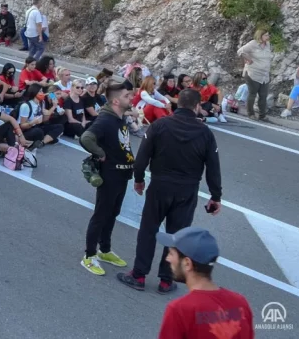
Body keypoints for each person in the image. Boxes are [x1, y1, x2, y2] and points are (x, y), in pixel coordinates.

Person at [119, 88, 223, 294]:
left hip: (160, 185)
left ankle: (139, 274)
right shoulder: (205, 133)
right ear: (196, 106)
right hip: (187, 190)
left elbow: (142, 158)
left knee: (149, 229)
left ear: (178, 104)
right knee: (177, 235)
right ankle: (166, 279)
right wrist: (215, 196)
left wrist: (139, 179)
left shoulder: (160, 125)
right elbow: (213, 166)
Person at [80, 81, 136, 276]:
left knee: (113, 213)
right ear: (115, 100)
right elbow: (86, 138)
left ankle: (105, 250)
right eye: (127, 96)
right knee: (101, 214)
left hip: (122, 174)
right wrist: (100, 153)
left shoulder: (119, 118)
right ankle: (89, 255)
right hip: (110, 175)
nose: (131, 98)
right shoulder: (105, 120)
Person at [155, 228, 253, 339]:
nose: (168, 259)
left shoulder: (179, 310)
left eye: (172, 254)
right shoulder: (240, 303)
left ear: (187, 263)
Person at [237, 28, 273, 120]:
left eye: (268, 35)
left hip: (264, 75)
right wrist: (248, 59)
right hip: (253, 73)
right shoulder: (253, 44)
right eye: (266, 35)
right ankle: (250, 113)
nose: (268, 37)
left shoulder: (268, 44)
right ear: (260, 36)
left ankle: (262, 115)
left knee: (263, 95)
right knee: (252, 94)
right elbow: (240, 51)